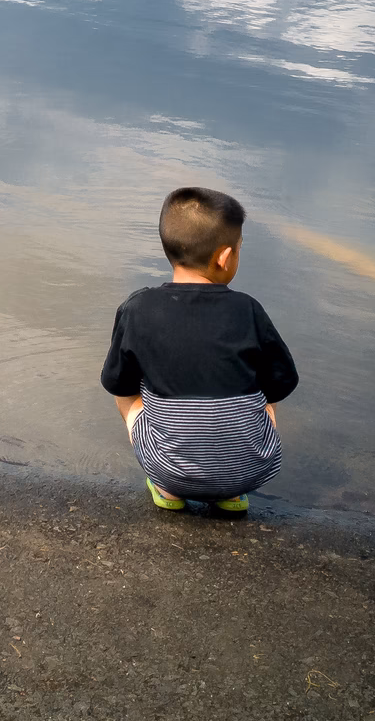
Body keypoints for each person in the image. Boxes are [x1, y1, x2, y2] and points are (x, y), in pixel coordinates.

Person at [99, 186, 298, 514]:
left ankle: (167, 488)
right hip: (251, 472)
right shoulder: (248, 310)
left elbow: (118, 383)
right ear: (224, 257)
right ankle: (230, 493)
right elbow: (282, 383)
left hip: (169, 469)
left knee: (129, 390)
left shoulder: (138, 309)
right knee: (265, 391)